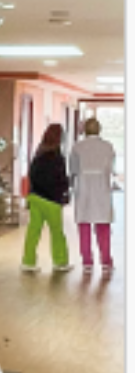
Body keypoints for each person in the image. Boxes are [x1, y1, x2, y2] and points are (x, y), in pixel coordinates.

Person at [21, 123, 72, 273]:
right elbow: (61, 179)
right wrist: (65, 190)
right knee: (57, 232)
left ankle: (28, 261)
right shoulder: (57, 157)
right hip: (52, 200)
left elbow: (32, 175)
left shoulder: (38, 153)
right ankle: (60, 262)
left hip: (35, 197)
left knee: (33, 230)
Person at [69, 117, 117, 275]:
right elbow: (110, 168)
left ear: (85, 130)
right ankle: (106, 261)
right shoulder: (108, 147)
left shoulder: (77, 147)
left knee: (84, 226)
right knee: (103, 226)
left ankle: (87, 262)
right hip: (101, 188)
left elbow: (73, 170)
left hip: (83, 189)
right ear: (99, 129)